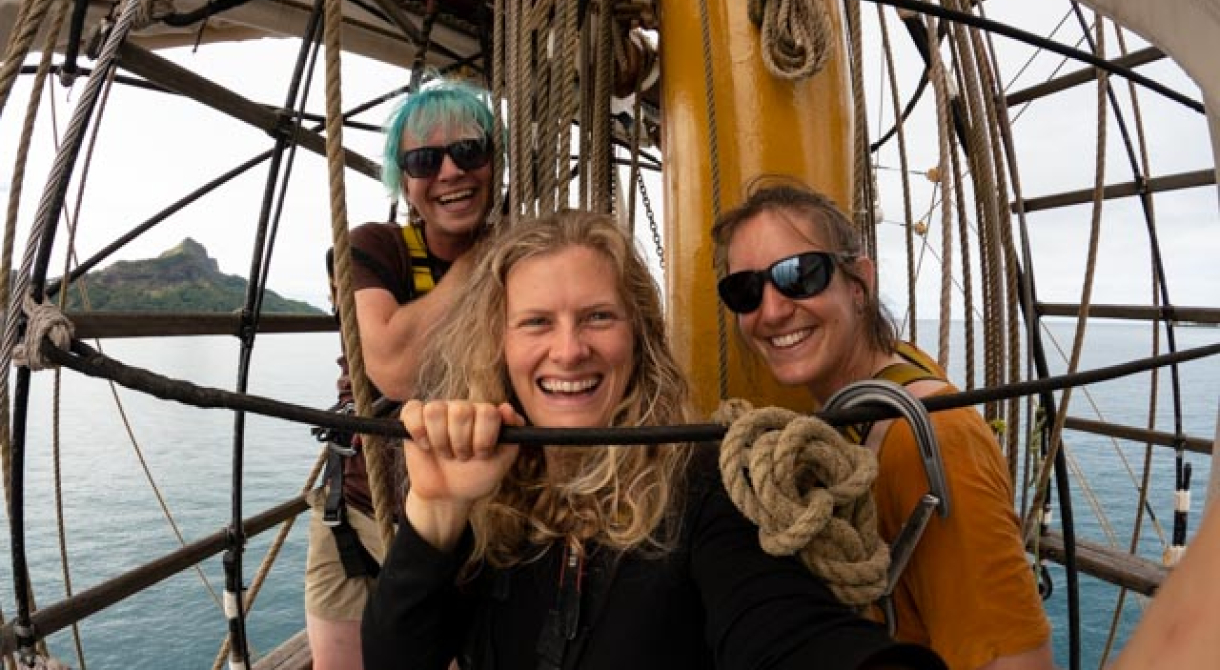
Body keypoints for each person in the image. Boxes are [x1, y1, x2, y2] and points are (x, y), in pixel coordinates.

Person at [361, 209, 947, 670]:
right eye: (537, 322)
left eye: (598, 317)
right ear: (500, 344)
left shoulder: (704, 489)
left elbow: (787, 630)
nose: (569, 350)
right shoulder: (486, 496)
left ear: (638, 336)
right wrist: (435, 512)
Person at [710, 179, 1054, 670]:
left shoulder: (932, 439)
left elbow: (1019, 663)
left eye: (800, 275)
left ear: (859, 283)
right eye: (744, 290)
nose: (772, 310)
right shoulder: (885, 381)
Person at [305, 77, 499, 670]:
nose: (450, 172)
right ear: (405, 182)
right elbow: (392, 368)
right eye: (424, 160)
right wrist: (483, 258)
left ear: (494, 161)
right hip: (357, 511)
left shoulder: (528, 256)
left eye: (468, 151)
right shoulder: (375, 247)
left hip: (470, 523)